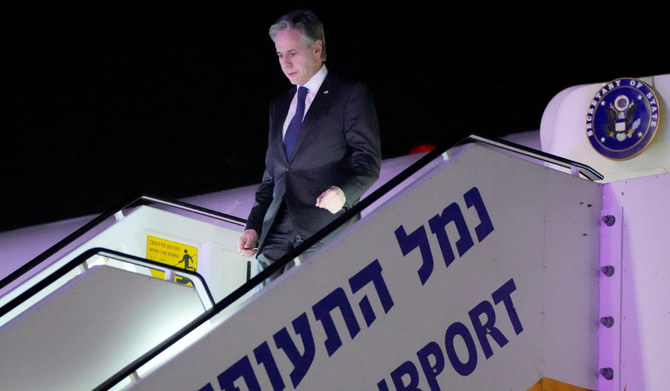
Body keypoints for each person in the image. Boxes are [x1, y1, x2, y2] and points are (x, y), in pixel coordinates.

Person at [237, 9, 381, 284]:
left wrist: (343, 192)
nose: (285, 63)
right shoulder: (279, 106)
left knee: (298, 300)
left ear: (317, 49)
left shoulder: (349, 94)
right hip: (276, 229)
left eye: (292, 53)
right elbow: (272, 176)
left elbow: (368, 161)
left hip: (323, 224)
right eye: (280, 55)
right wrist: (254, 226)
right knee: (263, 309)